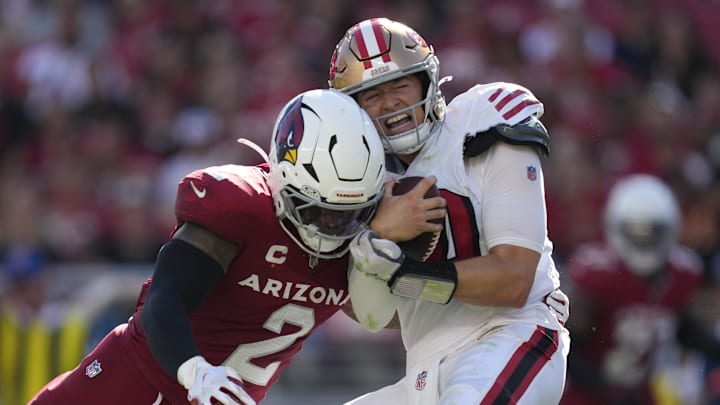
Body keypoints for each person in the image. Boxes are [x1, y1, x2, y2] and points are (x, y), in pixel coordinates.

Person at [29, 88, 387, 405]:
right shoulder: (241, 207)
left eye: (348, 214)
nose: (332, 226)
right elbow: (165, 298)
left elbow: (384, 318)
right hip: (137, 382)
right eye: (318, 210)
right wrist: (193, 369)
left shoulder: (372, 232)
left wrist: (382, 267)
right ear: (284, 178)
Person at [328, 17, 570, 405]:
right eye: (371, 95)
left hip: (510, 334)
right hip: (423, 369)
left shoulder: (478, 124)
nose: (389, 103)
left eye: (400, 85)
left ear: (427, 82)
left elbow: (515, 279)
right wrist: (374, 250)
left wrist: (403, 274)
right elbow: (374, 315)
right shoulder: (352, 181)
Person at [559, 174, 720, 405]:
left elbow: (681, 326)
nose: (644, 242)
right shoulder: (597, 274)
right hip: (587, 397)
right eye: (635, 234)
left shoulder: (681, 272)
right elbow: (569, 348)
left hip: (640, 393)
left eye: (652, 234)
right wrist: (608, 390)